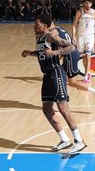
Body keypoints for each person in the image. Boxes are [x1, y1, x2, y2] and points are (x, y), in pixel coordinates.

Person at [22, 15, 87, 154]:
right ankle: (64, 139)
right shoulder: (38, 37)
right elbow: (42, 53)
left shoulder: (50, 36)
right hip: (47, 75)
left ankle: (79, 140)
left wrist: (55, 52)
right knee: (46, 108)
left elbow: (72, 47)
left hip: (56, 72)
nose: (34, 26)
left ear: (44, 26)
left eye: (37, 24)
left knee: (62, 106)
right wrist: (30, 53)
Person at [52, 19, 95, 105]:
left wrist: (56, 57)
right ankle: (60, 98)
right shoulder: (59, 29)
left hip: (70, 56)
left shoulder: (53, 33)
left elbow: (61, 49)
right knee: (59, 77)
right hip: (70, 54)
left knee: (72, 82)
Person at [73, 0, 95, 84]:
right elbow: (74, 25)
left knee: (88, 55)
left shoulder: (94, 12)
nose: (88, 4)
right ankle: (87, 73)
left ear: (91, 4)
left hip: (90, 37)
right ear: (84, 3)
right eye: (86, 3)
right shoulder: (79, 12)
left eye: (90, 3)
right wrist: (73, 36)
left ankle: (86, 75)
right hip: (81, 36)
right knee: (83, 57)